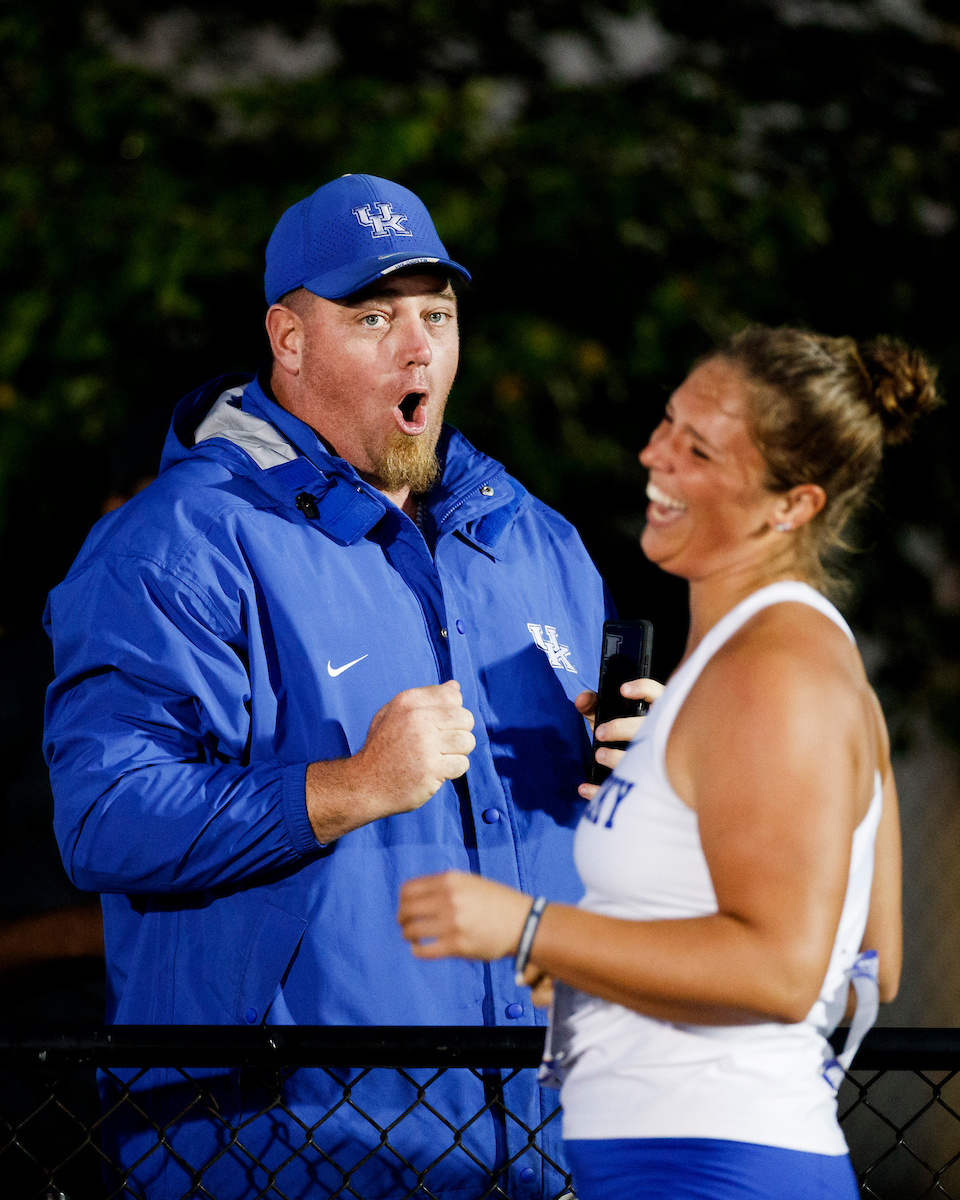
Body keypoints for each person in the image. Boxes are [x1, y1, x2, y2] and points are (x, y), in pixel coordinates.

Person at [43, 174, 611, 1198]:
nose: (418, 347)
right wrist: (347, 786)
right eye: (374, 316)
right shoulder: (179, 542)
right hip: (274, 1154)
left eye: (437, 314)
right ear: (288, 340)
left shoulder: (536, 545)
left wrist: (635, 780)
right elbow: (103, 814)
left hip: (536, 1152)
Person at [397, 326, 935, 1200]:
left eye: (699, 449)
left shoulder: (774, 674)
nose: (655, 457)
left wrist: (531, 929)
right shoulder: (733, 668)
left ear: (790, 506)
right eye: (666, 424)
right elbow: (866, 964)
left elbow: (786, 972)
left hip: (716, 1169)